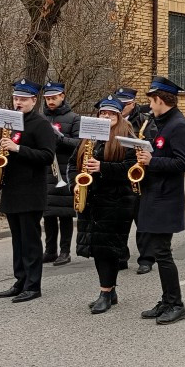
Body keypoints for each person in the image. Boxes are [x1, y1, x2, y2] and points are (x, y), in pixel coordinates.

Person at [133, 76, 185, 325]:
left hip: (167, 198)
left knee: (162, 253)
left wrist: (151, 160)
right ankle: (167, 299)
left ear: (159, 100)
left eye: (151, 101)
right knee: (159, 251)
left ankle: (176, 303)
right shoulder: (160, 122)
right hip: (155, 193)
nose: (149, 107)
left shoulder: (178, 125)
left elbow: (182, 163)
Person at [0, 79, 57, 303]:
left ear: (33, 100)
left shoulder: (40, 124)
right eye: (15, 98)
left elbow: (47, 156)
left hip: (31, 190)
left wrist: (18, 148)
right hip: (12, 188)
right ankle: (20, 281)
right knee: (17, 240)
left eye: (22, 99)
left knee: (30, 240)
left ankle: (33, 285)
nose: (18, 102)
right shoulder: (11, 123)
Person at [74, 98, 138, 315]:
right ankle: (110, 292)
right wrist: (76, 182)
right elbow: (73, 163)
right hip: (92, 200)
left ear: (119, 116)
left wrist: (103, 167)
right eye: (103, 114)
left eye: (111, 115)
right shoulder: (89, 137)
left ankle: (105, 292)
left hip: (117, 200)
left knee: (107, 249)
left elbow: (132, 167)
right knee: (97, 248)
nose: (106, 118)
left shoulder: (126, 137)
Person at [41, 81, 81, 266]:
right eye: (48, 98)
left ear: (62, 96)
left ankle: (65, 251)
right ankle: (50, 250)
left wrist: (61, 139)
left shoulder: (74, 119)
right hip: (46, 171)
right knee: (48, 213)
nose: (50, 101)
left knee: (64, 213)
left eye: (54, 97)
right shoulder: (41, 118)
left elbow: (79, 144)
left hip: (64, 170)